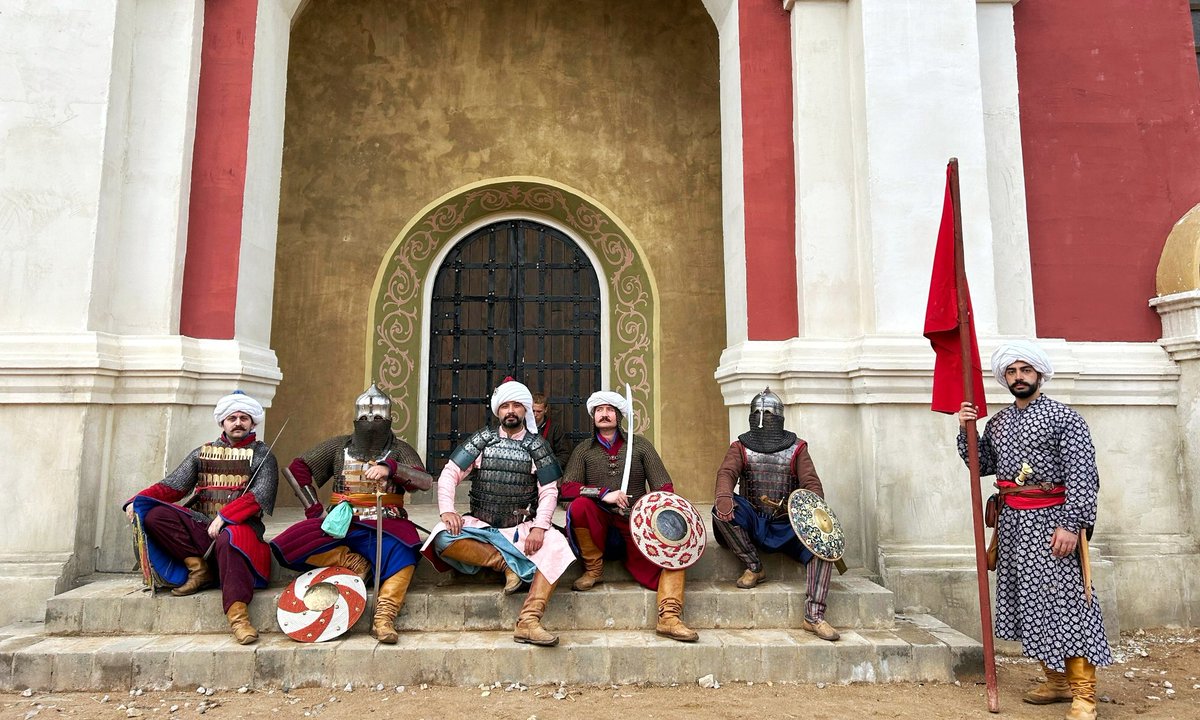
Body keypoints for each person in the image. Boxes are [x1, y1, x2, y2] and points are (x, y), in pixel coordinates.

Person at [956, 339, 1112, 720]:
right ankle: (1056, 681)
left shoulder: (1065, 418)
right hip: (1012, 525)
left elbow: (1082, 476)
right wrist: (967, 430)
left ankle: (1084, 695)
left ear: (1039, 373)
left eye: (1025, 370)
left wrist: (1071, 525)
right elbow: (982, 465)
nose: (1018, 377)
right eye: (1011, 371)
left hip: (1054, 522)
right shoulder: (1000, 422)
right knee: (1031, 602)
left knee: (1068, 603)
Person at [270, 383, 432, 644]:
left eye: (378, 417)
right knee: (292, 541)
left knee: (405, 552)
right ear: (356, 419)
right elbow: (297, 469)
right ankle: (353, 562)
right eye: (366, 417)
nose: (371, 422)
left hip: (386, 520)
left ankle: (384, 616)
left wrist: (391, 468)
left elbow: (424, 481)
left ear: (389, 419)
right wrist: (314, 509)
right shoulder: (338, 447)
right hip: (342, 520)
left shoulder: (399, 449)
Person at [421, 377, 574, 646]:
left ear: (526, 410)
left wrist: (540, 527)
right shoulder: (482, 440)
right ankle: (507, 565)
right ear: (498, 410)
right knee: (442, 537)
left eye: (517, 405)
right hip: (484, 524)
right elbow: (449, 474)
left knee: (558, 545)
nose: (511, 411)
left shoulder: (538, 446)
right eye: (505, 406)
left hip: (520, 528)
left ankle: (529, 620)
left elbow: (549, 490)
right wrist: (447, 511)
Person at [124, 391, 278, 644]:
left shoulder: (263, 456)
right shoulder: (202, 453)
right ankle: (199, 569)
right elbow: (172, 487)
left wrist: (226, 516)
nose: (238, 422)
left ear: (253, 422)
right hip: (203, 527)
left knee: (231, 536)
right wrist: (137, 500)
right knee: (155, 515)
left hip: (241, 528)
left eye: (243, 418)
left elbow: (258, 497)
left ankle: (238, 619)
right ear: (222, 422)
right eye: (232, 418)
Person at [561, 391, 698, 642]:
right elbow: (567, 488)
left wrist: (660, 512)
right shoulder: (583, 450)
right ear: (593, 416)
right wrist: (603, 493)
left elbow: (663, 486)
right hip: (600, 520)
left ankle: (669, 617)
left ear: (619, 415)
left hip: (638, 523)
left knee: (676, 554)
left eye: (610, 409)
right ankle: (594, 569)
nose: (604, 414)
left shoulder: (640, 445)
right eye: (599, 410)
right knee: (579, 506)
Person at [711, 387, 840, 642]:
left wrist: (816, 515)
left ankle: (813, 615)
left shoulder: (797, 448)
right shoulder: (740, 447)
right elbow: (726, 474)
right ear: (751, 416)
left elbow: (812, 485)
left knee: (824, 546)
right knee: (721, 511)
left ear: (779, 418)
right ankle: (754, 566)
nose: (763, 418)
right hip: (754, 520)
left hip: (786, 523)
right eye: (758, 413)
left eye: (768, 413)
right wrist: (724, 496)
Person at [532, 392, 574, 469]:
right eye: (533, 411)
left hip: (548, 472)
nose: (535, 414)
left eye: (539, 411)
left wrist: (550, 467)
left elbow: (564, 454)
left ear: (545, 409)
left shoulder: (555, 428)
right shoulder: (522, 427)